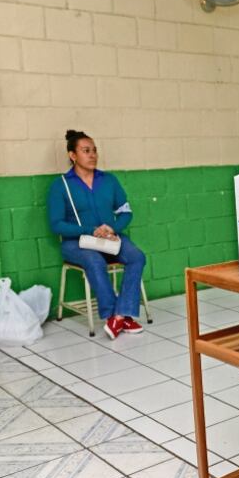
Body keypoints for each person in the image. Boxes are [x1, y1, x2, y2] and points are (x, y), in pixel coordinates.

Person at [48, 130, 147, 340]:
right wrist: (89, 230)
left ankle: (119, 316)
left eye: (94, 150)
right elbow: (56, 225)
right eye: (86, 151)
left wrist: (112, 229)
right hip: (78, 243)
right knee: (94, 261)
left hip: (109, 239)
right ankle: (116, 315)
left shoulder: (109, 180)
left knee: (137, 256)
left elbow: (125, 212)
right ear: (72, 155)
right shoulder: (60, 186)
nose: (92, 155)